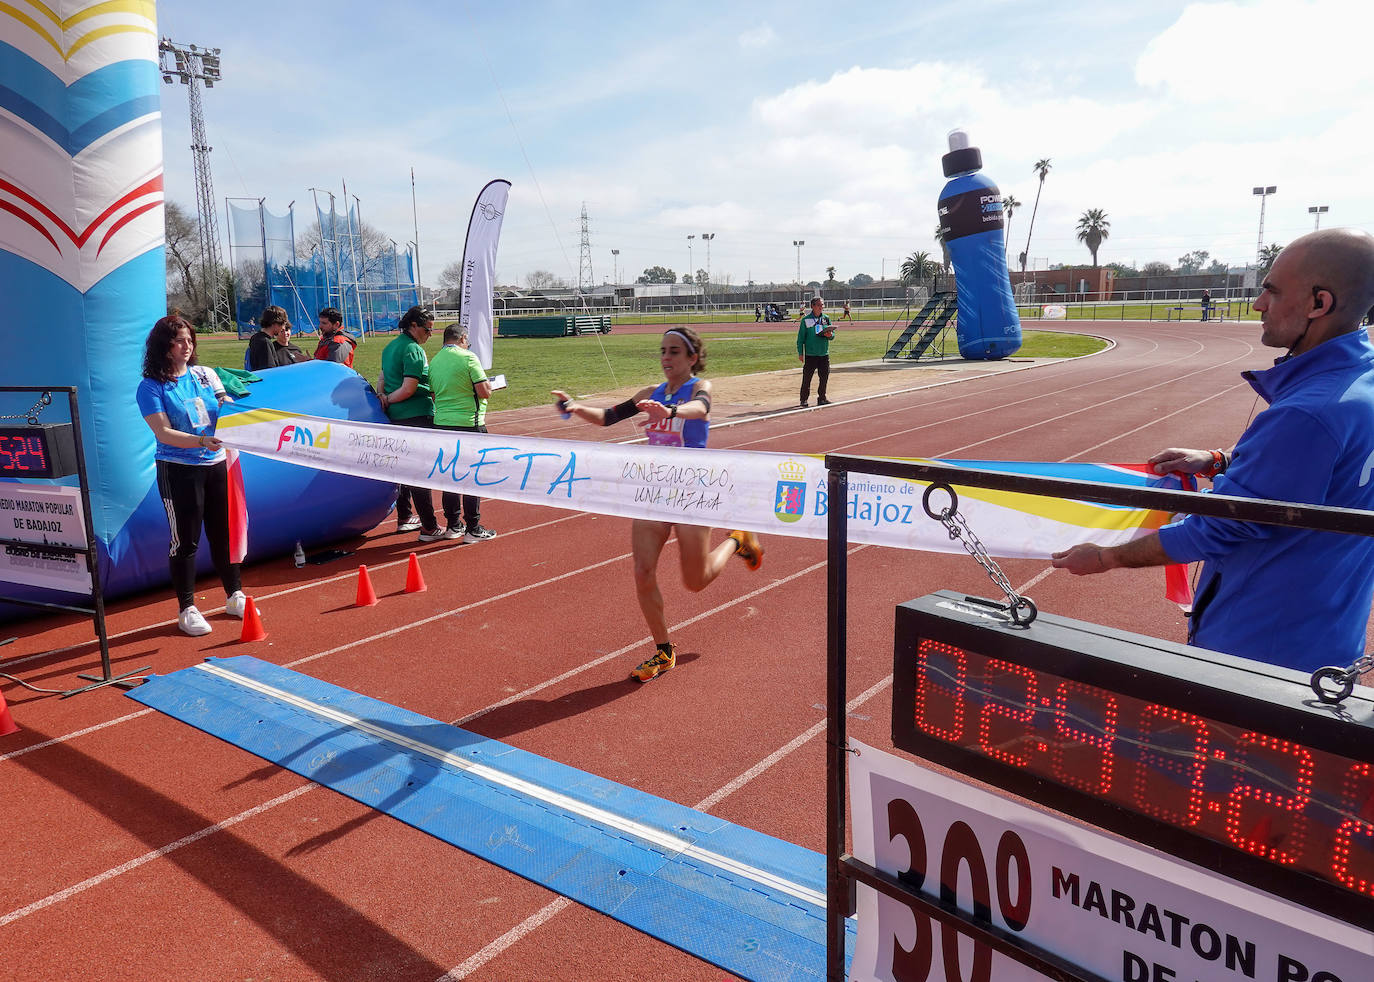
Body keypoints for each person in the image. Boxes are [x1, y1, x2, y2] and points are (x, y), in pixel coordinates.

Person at [1051, 229, 1374, 673]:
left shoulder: (1307, 414)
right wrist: (1220, 461)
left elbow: (1219, 529)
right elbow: (1324, 471)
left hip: (1259, 647)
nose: (1259, 304)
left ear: (1319, 304)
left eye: (1272, 291)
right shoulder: (1362, 385)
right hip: (1328, 634)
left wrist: (1107, 558)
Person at [551, 327, 764, 682]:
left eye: (675, 352)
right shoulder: (649, 394)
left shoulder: (698, 389)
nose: (666, 357)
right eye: (663, 351)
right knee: (642, 572)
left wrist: (670, 410)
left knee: (695, 582)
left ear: (692, 358)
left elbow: (701, 409)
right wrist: (574, 407)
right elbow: (607, 417)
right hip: (654, 492)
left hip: (693, 492)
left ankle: (737, 541)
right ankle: (663, 651)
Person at [137, 314, 246, 637]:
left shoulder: (204, 374)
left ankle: (234, 593)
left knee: (223, 532)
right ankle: (187, 608)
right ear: (164, 346)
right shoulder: (151, 387)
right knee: (185, 540)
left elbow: (225, 407)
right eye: (179, 341)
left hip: (215, 463)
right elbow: (164, 432)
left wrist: (231, 407)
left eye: (190, 339)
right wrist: (200, 440)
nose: (187, 346)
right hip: (178, 469)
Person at [378, 306, 442, 542]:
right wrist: (388, 399)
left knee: (404, 469)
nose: (430, 334)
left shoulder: (390, 347)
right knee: (421, 473)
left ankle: (405, 517)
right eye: (428, 329)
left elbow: (382, 377)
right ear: (414, 326)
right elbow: (408, 389)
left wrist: (383, 398)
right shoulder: (413, 350)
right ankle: (429, 526)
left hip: (397, 416)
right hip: (416, 415)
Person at [429, 324, 497, 543]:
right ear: (463, 338)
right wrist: (489, 386)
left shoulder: (435, 361)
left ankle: (453, 524)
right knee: (471, 476)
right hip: (469, 423)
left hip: (442, 423)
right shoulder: (468, 358)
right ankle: (473, 527)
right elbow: (484, 391)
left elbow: (433, 394)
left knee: (450, 476)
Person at [797, 296, 834, 407]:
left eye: (822, 305)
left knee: (824, 377)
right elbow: (800, 338)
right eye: (818, 305)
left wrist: (830, 335)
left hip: (824, 353)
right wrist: (800, 353)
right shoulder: (805, 320)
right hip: (811, 354)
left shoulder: (826, 318)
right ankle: (803, 400)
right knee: (807, 378)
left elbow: (832, 336)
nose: (821, 307)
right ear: (813, 306)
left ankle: (822, 398)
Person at [245, 305, 296, 371]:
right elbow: (269, 371)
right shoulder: (265, 342)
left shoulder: (255, 337)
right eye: (282, 324)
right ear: (274, 323)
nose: (283, 328)